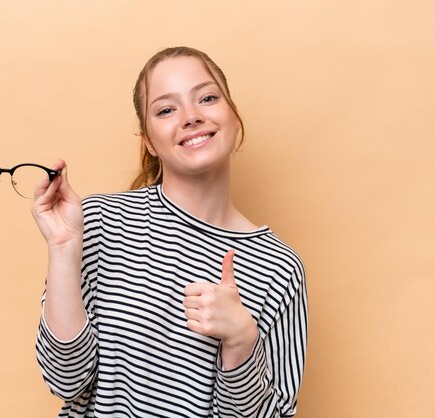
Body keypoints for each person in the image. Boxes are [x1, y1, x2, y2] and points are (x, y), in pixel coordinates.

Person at [32, 46, 308, 417]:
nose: (191, 117)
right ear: (148, 140)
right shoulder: (98, 222)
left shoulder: (279, 268)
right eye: (166, 109)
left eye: (207, 98)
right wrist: (65, 250)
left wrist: (242, 342)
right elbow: (65, 379)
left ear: (233, 114)